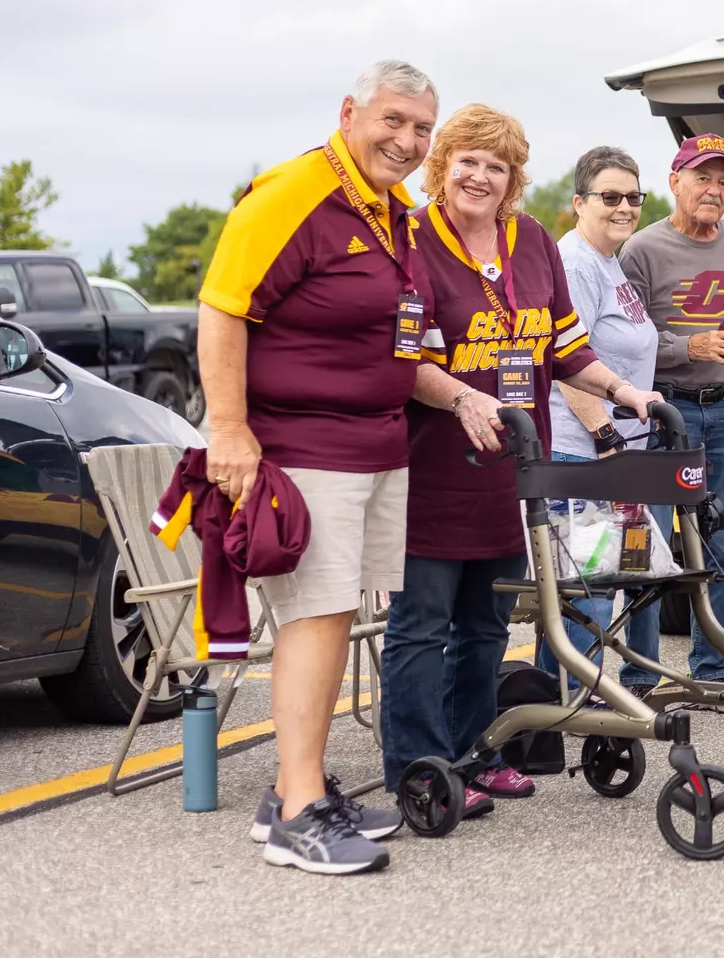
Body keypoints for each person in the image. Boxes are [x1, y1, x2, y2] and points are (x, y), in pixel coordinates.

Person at [381, 106, 663, 814]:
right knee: (423, 624)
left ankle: (475, 752)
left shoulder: (531, 239)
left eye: (496, 165)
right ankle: (418, 764)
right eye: (466, 160)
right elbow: (403, 357)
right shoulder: (411, 240)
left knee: (486, 623)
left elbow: (564, 343)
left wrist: (623, 390)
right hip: (434, 469)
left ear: (514, 178)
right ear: (442, 167)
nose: (479, 175)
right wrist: (462, 400)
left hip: (512, 469)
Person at [200, 60, 438, 874]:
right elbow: (224, 307)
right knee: (315, 615)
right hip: (304, 450)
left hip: (372, 444)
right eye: (394, 121)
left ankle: (291, 789)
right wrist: (228, 429)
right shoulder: (297, 192)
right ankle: (299, 811)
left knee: (335, 616)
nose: (407, 141)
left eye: (420, 129)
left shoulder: (390, 211)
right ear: (350, 112)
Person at [618, 134, 724, 706]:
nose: (714, 189)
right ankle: (640, 676)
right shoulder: (642, 249)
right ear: (675, 180)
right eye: (703, 177)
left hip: (722, 414)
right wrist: (689, 347)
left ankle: (711, 669)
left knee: (717, 543)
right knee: (646, 545)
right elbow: (628, 341)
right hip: (660, 411)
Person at [538, 146, 661, 695]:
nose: (624, 208)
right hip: (583, 454)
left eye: (633, 198)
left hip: (617, 454)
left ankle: (563, 700)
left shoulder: (609, 260)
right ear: (579, 202)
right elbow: (566, 360)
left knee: (601, 584)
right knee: (586, 591)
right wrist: (606, 436)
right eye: (610, 197)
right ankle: (570, 707)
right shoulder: (575, 263)